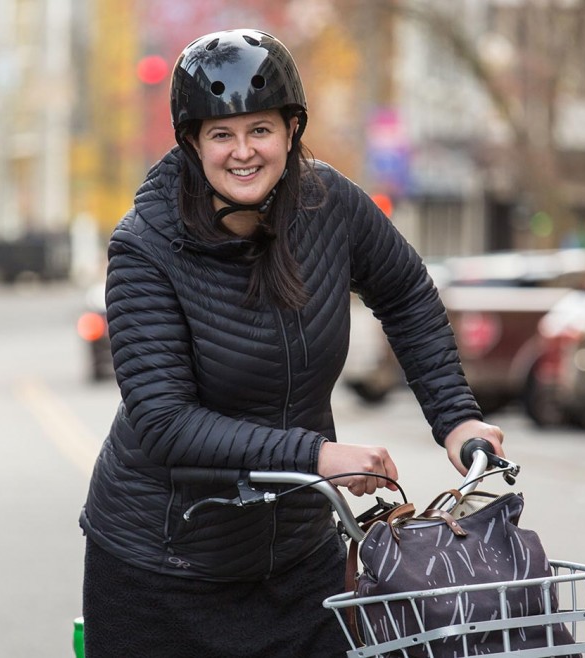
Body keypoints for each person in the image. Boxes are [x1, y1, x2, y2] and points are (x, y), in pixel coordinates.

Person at [79, 28, 505, 657]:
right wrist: (318, 456)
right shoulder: (144, 245)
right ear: (192, 142)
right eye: (221, 134)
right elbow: (164, 422)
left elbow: (408, 292)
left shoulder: (326, 203)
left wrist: (456, 418)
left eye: (261, 130)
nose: (243, 152)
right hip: (162, 571)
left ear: (290, 131)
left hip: (300, 561)